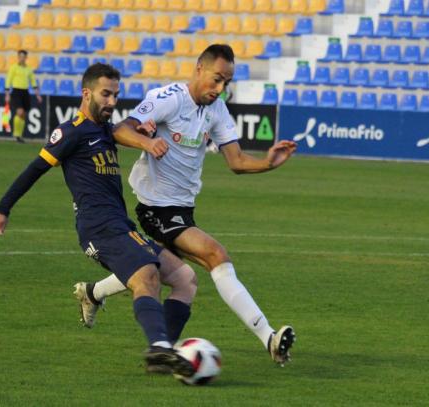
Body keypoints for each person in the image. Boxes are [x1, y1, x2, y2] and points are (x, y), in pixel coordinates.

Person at [86, 45, 298, 366]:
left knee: (161, 269)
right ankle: (268, 336)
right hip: (156, 208)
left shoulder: (218, 111)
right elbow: (120, 129)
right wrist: (147, 141)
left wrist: (268, 163)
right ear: (199, 68)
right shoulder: (169, 97)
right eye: (216, 80)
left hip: (182, 208)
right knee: (216, 255)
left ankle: (93, 294)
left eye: (226, 83)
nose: (220, 89)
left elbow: (237, 161)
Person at [0, 63, 197, 376]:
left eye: (115, 95)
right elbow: (35, 169)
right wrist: (3, 209)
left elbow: (129, 132)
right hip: (98, 227)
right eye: (105, 94)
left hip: (122, 225)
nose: (112, 101)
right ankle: (160, 349)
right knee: (147, 277)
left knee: (185, 279)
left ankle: (162, 347)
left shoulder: (105, 130)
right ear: (87, 94)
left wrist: (146, 133)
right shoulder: (71, 132)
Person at [5, 50, 42, 143]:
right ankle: (16, 134)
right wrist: (7, 94)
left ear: (26, 58)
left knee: (23, 115)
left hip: (25, 92)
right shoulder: (14, 67)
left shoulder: (29, 69)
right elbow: (8, 80)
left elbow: (33, 82)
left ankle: (19, 136)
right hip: (16, 91)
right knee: (20, 112)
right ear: (18, 57)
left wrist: (38, 95)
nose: (21, 58)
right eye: (20, 56)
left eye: (23, 56)